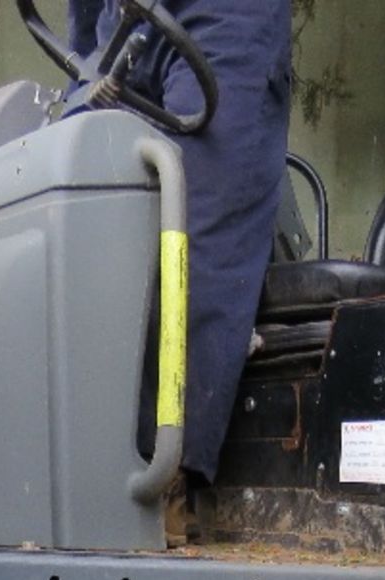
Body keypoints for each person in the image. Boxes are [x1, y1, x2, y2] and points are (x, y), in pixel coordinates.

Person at [68, 0, 292, 496]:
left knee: (192, 225)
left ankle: (163, 483)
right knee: (80, 209)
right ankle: (76, 460)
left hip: (220, 13)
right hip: (111, 13)